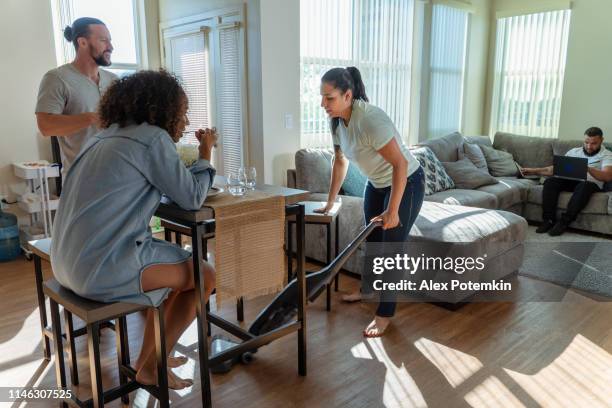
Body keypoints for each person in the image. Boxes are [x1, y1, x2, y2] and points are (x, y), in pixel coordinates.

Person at [50, 70, 217, 389]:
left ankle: (150, 358)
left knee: (171, 267)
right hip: (98, 269)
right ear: (164, 110)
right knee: (203, 276)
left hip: (64, 264)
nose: (183, 122)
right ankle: (151, 366)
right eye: (181, 114)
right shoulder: (153, 139)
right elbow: (193, 197)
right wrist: (205, 154)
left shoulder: (102, 136)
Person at [314, 67, 425, 337]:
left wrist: (393, 210)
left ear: (347, 95)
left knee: (391, 250)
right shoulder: (338, 121)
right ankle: (367, 290)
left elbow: (399, 164)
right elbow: (339, 162)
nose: (322, 104)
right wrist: (330, 202)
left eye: (329, 98)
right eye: (322, 97)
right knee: (372, 241)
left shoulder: (370, 120)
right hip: (376, 184)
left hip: (406, 182)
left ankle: (384, 315)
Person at [35, 17, 118, 176]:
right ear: (82, 42)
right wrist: (91, 118)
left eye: (110, 41)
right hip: (80, 180)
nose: (110, 47)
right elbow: (45, 126)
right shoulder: (56, 78)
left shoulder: (114, 80)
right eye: (103, 40)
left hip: (117, 176)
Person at [521, 126, 612, 236]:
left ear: (601, 140)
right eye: (586, 142)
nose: (589, 146)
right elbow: (555, 169)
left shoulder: (607, 155)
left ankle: (564, 222)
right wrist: (534, 171)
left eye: (594, 143)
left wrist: (587, 168)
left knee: (584, 186)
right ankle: (548, 220)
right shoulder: (574, 152)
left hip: (591, 184)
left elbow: (607, 176)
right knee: (551, 182)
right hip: (572, 181)